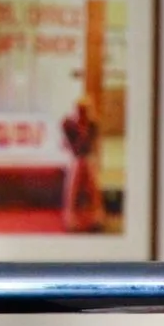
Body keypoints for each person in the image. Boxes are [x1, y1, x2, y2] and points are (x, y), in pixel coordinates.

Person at [61, 94, 105, 233]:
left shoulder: (94, 124)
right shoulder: (68, 124)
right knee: (78, 166)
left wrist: (97, 161)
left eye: (85, 110)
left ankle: (97, 215)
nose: (82, 113)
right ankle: (71, 216)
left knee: (90, 172)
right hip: (74, 158)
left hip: (87, 158)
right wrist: (81, 130)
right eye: (80, 110)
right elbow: (71, 147)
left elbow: (94, 146)